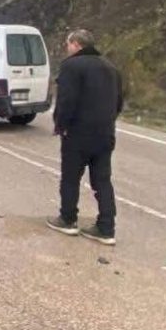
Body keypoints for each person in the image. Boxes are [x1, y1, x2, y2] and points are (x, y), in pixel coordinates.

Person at [46, 29, 123, 246]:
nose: (66, 48)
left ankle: (68, 219)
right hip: (105, 133)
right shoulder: (110, 67)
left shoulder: (72, 66)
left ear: (77, 44)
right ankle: (106, 227)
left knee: (70, 178)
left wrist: (61, 125)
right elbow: (118, 101)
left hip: (78, 133)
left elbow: (66, 100)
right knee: (102, 180)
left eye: (68, 44)